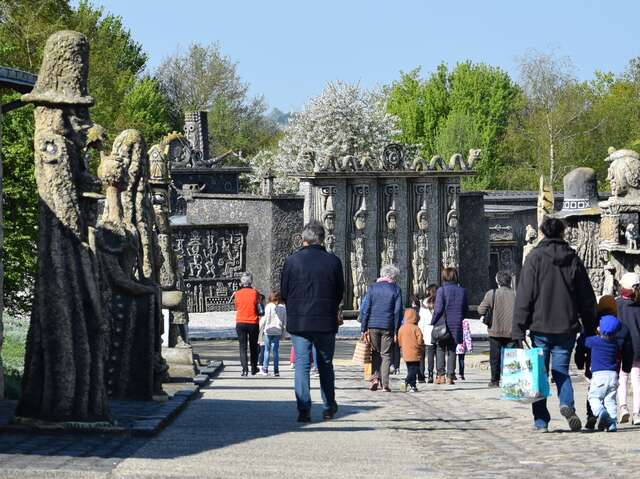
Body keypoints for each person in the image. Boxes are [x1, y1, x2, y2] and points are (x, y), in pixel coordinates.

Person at [512, 216, 597, 433]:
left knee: (538, 375)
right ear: (562, 234)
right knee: (561, 370)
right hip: (566, 327)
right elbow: (586, 297)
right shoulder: (573, 259)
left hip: (540, 327)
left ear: (542, 233)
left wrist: (518, 329)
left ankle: (541, 421)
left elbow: (524, 296)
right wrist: (590, 325)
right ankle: (567, 404)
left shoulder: (534, 258)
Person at [281, 221, 344, 422]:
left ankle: (304, 408)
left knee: (301, 364)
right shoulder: (333, 262)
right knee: (325, 363)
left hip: (299, 321)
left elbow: (284, 291)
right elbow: (339, 292)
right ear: (322, 239)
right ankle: (328, 406)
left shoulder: (292, 261)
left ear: (304, 239)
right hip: (325, 320)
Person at [360, 264, 403, 392]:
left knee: (375, 352)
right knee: (386, 354)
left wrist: (364, 327)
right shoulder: (395, 289)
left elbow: (366, 308)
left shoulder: (373, 288)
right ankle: (385, 384)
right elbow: (397, 311)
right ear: (392, 276)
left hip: (373, 325)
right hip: (388, 326)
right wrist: (396, 329)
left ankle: (374, 379)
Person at [585, 315, 627, 432]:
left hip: (599, 376)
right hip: (613, 375)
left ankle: (601, 412)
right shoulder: (616, 343)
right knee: (610, 399)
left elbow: (584, 341)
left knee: (593, 397)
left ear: (599, 328)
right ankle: (612, 422)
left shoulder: (595, 341)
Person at [478, 271, 517, 387]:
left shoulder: (492, 294)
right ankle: (511, 381)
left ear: (497, 281)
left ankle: (494, 380)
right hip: (512, 332)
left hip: (495, 331)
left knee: (495, 357)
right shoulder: (516, 294)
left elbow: (481, 310)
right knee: (511, 356)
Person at [431, 268, 468, 385]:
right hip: (456, 324)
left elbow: (438, 309)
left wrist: (433, 321)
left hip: (443, 324)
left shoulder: (441, 290)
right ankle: (450, 376)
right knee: (452, 349)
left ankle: (440, 375)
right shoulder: (462, 291)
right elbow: (465, 309)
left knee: (440, 348)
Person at [616, 272, 640, 425]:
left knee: (622, 378)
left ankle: (623, 407)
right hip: (638, 347)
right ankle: (638, 413)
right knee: (637, 381)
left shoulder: (616, 303)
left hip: (622, 346)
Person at [232, 272, 261, 377]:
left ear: (241, 282)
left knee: (242, 347)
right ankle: (254, 368)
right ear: (251, 281)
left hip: (240, 321)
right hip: (253, 322)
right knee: (253, 346)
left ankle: (244, 369)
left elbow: (237, 306)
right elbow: (259, 305)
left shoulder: (237, 294)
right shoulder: (255, 293)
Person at [258, 291, 287, 377]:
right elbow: (285, 322)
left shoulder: (268, 306)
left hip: (268, 331)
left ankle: (265, 368)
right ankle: (276, 370)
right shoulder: (283, 307)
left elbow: (264, 319)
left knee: (267, 350)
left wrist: (258, 329)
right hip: (277, 331)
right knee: (275, 351)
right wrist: (283, 334)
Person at [398, 308, 424, 392]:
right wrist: (421, 346)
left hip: (405, 352)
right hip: (415, 352)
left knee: (410, 369)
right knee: (415, 369)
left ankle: (413, 386)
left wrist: (401, 347)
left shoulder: (402, 328)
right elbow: (420, 340)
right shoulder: (416, 328)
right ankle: (406, 381)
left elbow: (399, 339)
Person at [418, 285, 438, 383]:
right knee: (431, 354)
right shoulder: (439, 301)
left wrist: (419, 331)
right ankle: (431, 374)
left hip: (425, 329)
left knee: (422, 353)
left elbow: (421, 319)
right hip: (436, 330)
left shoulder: (424, 302)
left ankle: (421, 375)